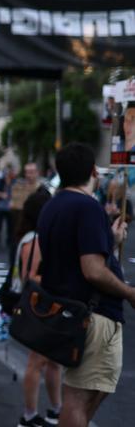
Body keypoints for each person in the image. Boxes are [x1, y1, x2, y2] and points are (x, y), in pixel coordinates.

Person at [37, 143, 134, 427]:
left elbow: (72, 256)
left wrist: (111, 241)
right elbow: (92, 271)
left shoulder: (52, 205)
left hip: (70, 312)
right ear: (93, 172)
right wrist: (130, 293)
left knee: (89, 395)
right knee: (79, 399)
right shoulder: (88, 207)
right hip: (92, 315)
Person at [11, 187, 62, 427]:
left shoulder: (32, 236)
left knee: (52, 361)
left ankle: (55, 409)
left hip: (42, 306)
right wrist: (60, 279)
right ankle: (29, 416)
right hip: (39, 307)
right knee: (37, 362)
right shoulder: (35, 240)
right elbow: (29, 277)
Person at [10, 163, 42, 252]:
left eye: (31, 172)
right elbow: (14, 204)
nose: (28, 175)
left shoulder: (41, 190)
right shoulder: (18, 186)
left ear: (37, 173)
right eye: (27, 172)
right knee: (15, 249)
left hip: (33, 226)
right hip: (18, 224)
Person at [0, 165, 15, 249]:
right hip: (0, 206)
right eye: (9, 173)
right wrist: (2, 195)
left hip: (10, 207)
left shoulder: (14, 182)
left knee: (10, 226)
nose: (11, 174)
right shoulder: (0, 181)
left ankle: (9, 241)